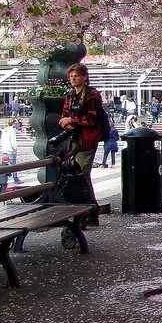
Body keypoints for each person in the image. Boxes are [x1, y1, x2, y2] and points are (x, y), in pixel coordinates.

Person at [58, 63, 104, 218]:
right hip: (74, 139)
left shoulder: (92, 94)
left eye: (76, 75)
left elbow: (92, 119)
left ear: (84, 77)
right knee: (80, 176)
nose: (73, 79)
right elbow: (64, 115)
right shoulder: (70, 95)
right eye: (71, 76)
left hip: (86, 140)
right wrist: (66, 122)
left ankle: (87, 211)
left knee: (82, 175)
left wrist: (72, 119)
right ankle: (90, 209)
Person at [0, 118, 23, 182]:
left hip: (5, 149)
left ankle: (4, 177)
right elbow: (13, 141)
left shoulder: (4, 130)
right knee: (13, 165)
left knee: (6, 164)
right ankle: (15, 178)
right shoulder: (12, 131)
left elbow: (2, 140)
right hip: (11, 150)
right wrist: (15, 148)